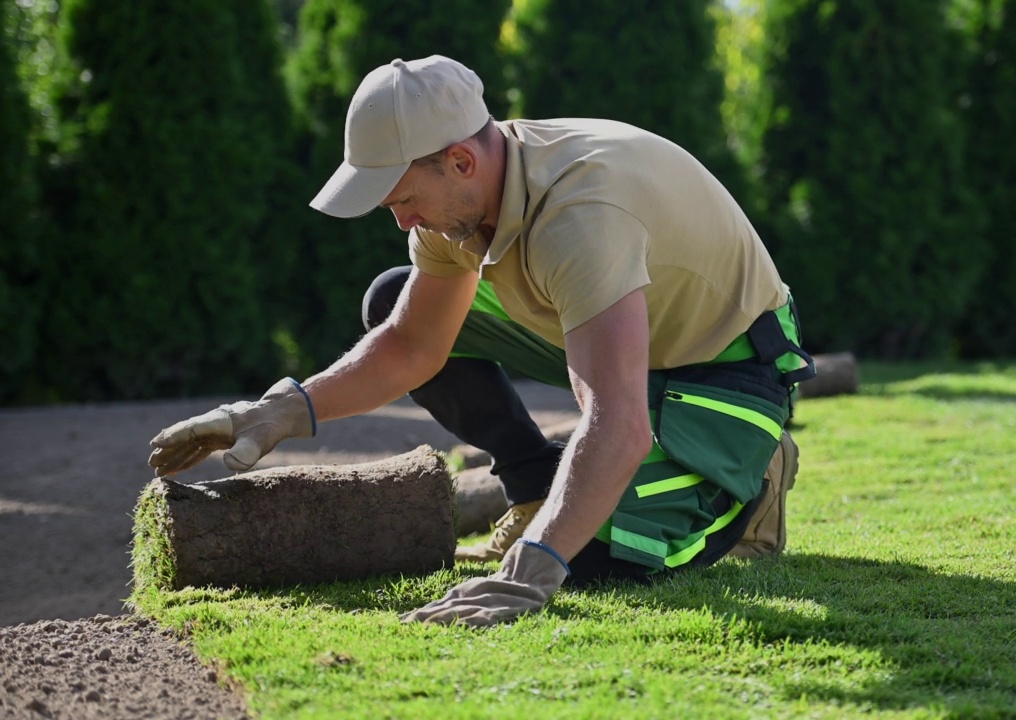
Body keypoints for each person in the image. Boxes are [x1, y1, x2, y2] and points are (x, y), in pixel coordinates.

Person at [148, 55, 814, 627]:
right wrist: (273, 413)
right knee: (393, 298)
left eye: (402, 198)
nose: (401, 219)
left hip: (727, 370)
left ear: (461, 161)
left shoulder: (582, 215)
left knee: (588, 556)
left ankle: (754, 479)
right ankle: (532, 491)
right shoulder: (463, 203)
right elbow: (411, 345)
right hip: (633, 340)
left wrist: (534, 571)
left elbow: (617, 420)